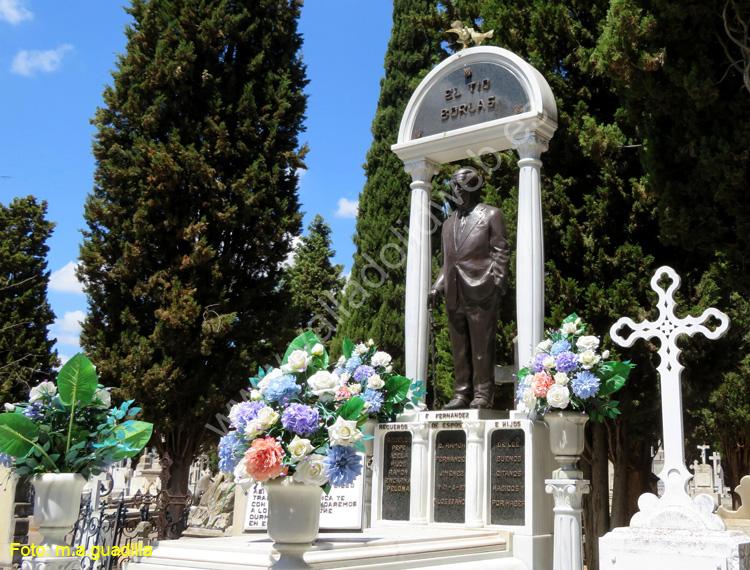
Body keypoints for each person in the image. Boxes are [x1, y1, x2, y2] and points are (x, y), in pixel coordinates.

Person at [429, 167, 510, 410]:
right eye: (454, 186)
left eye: (461, 186)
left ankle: (483, 394)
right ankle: (461, 393)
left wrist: (497, 285)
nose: (456, 191)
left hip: (482, 291)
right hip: (454, 293)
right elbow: (447, 262)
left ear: (473, 187)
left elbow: (500, 252)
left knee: (481, 348)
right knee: (460, 349)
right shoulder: (447, 224)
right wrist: (436, 287)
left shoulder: (492, 214)